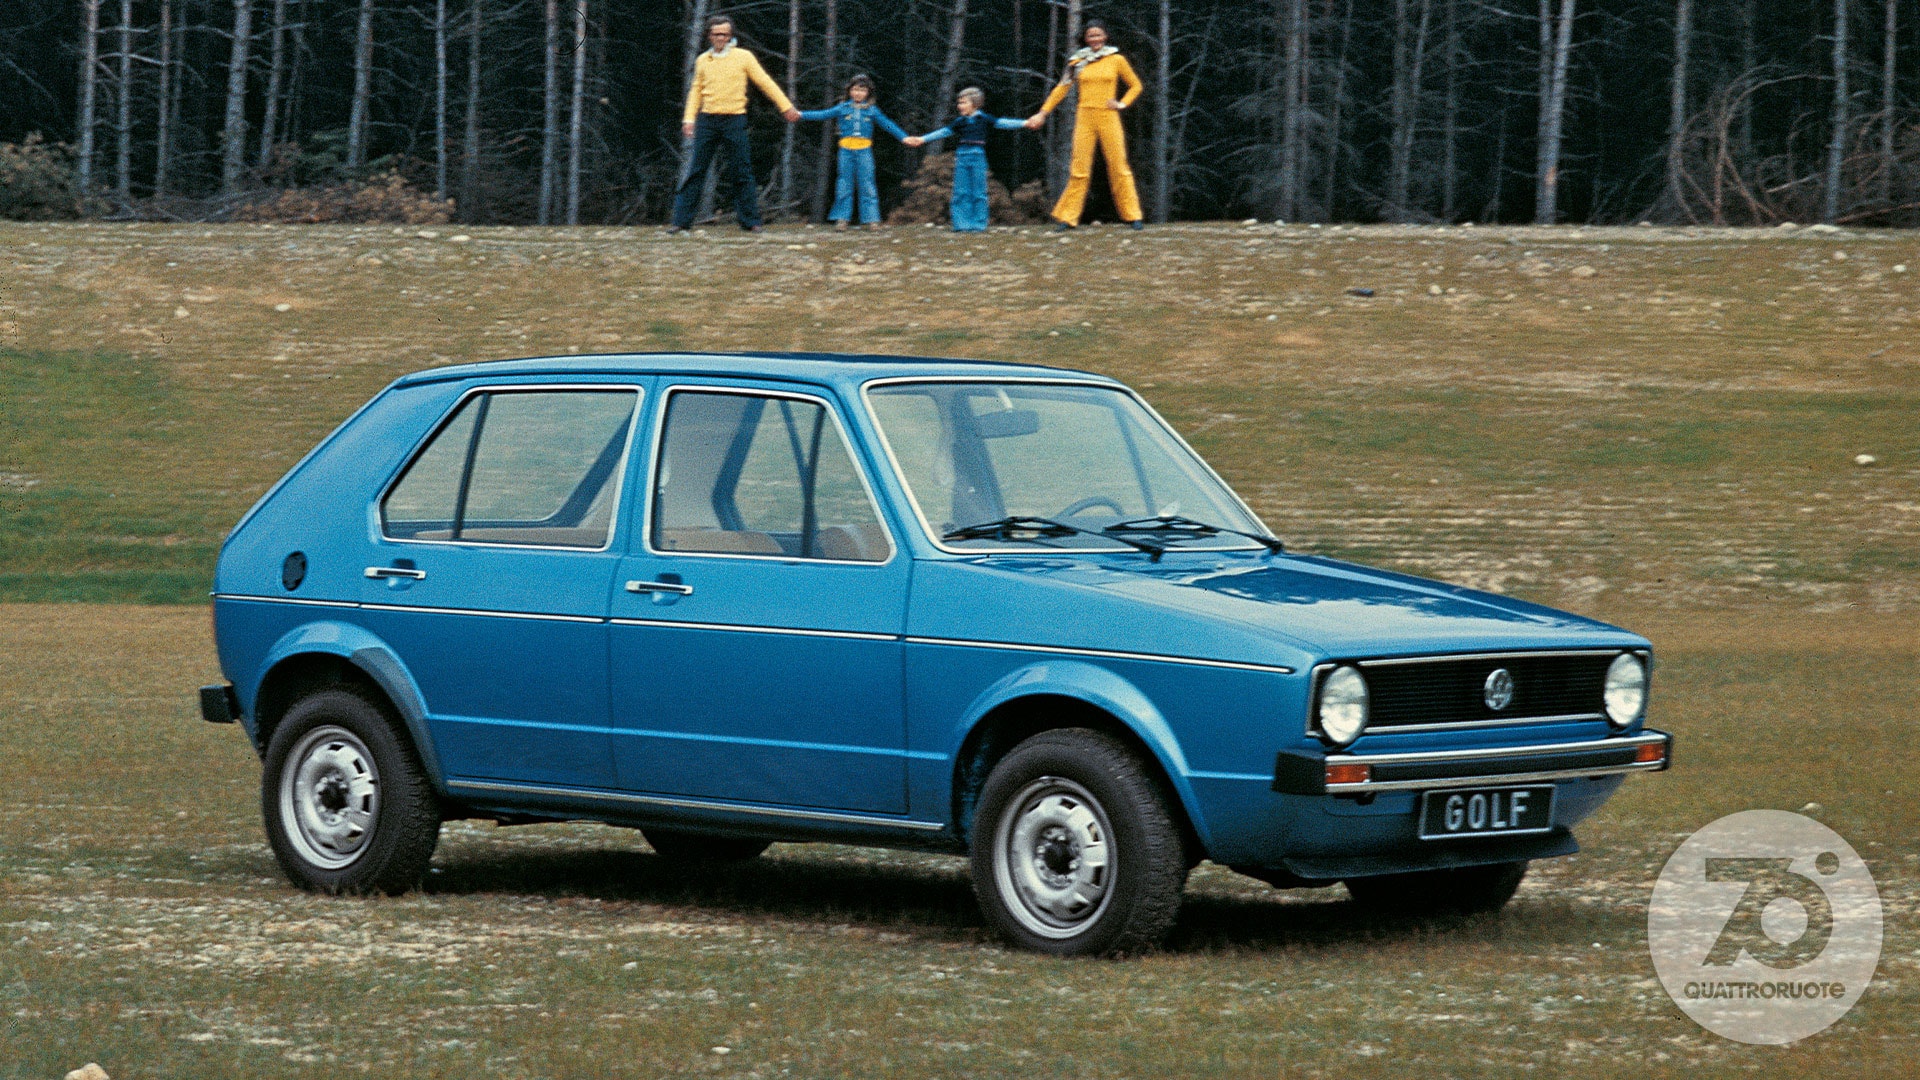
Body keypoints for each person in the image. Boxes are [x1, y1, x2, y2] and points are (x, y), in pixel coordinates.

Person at [669, 14, 801, 234]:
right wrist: (689, 119)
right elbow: (696, 91)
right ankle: (681, 221)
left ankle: (750, 221)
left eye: (725, 34)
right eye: (717, 34)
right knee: (696, 170)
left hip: (734, 119)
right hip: (708, 120)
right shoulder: (703, 60)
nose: (721, 38)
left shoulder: (743, 57)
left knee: (741, 170)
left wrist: (786, 106)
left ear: (731, 35)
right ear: (709, 35)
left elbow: (765, 82)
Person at [1024, 20, 1144, 231]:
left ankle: (1133, 215)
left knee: (1119, 165)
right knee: (1079, 169)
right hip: (1085, 117)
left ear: (1105, 36)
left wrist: (1122, 103)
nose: (1095, 39)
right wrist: (1043, 113)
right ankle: (1068, 217)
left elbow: (1136, 85)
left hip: (1108, 116)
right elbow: (1061, 88)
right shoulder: (1078, 61)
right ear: (1085, 39)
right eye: (1091, 36)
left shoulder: (1116, 59)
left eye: (1098, 35)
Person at [905, 88, 1027, 232]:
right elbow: (943, 132)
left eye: (963, 103)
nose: (959, 106)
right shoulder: (960, 122)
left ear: (974, 103)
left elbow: (1003, 123)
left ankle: (978, 225)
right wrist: (923, 139)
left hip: (978, 157)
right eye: (959, 103)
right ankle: (961, 224)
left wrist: (1025, 123)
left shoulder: (984, 119)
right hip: (962, 157)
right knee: (960, 191)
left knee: (979, 192)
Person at [798, 75, 910, 230]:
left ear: (868, 93)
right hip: (846, 151)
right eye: (855, 89)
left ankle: (872, 219)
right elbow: (823, 114)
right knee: (844, 184)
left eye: (862, 90)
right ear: (849, 91)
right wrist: (800, 114)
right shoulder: (842, 108)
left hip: (864, 151)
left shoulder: (871, 110)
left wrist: (904, 137)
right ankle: (842, 219)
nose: (858, 93)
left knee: (867, 184)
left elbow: (887, 124)